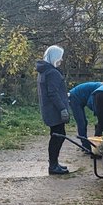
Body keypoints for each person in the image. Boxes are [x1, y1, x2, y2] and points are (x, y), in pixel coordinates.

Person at [36, 45, 71, 175]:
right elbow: (53, 93)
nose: (61, 60)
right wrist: (63, 109)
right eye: (60, 58)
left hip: (49, 109)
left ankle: (54, 163)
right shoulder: (52, 73)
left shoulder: (44, 71)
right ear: (55, 57)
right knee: (58, 136)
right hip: (55, 110)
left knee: (56, 135)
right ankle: (53, 165)